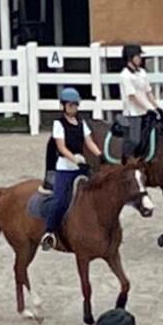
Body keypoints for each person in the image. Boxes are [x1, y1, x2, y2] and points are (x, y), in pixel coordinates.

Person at [41, 87, 102, 251]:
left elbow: (89, 142)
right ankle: (49, 232)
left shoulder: (82, 123)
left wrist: (100, 155)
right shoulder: (58, 124)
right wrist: (74, 158)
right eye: (70, 105)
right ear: (63, 106)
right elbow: (61, 147)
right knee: (60, 200)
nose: (73, 107)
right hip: (65, 168)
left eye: (75, 105)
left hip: (80, 167)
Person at [115, 43, 161, 159]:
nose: (140, 58)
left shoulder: (142, 73)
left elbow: (148, 91)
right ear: (130, 57)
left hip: (146, 111)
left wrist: (156, 107)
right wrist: (148, 107)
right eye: (138, 56)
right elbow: (132, 96)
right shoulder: (124, 76)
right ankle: (127, 161)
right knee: (135, 140)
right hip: (133, 113)